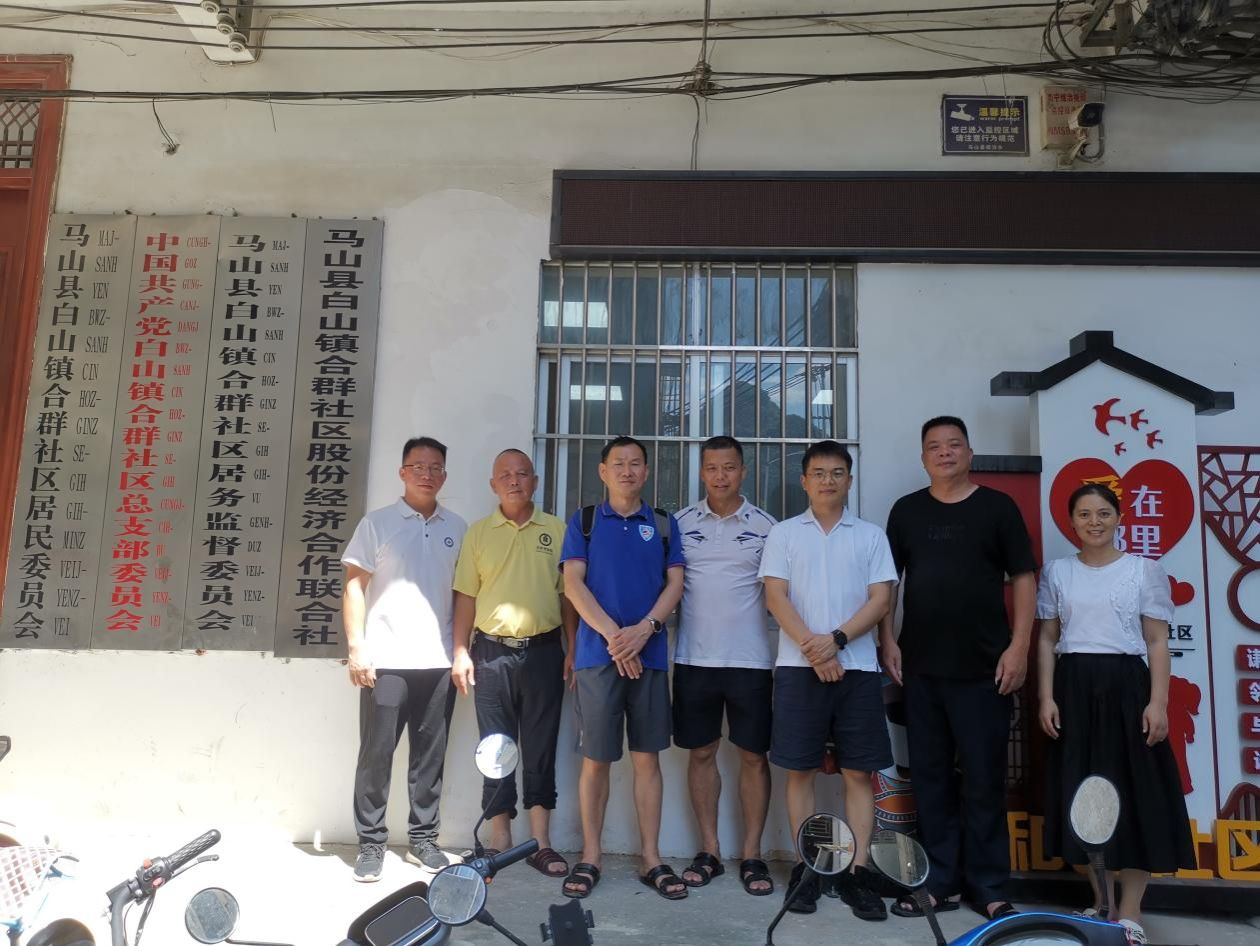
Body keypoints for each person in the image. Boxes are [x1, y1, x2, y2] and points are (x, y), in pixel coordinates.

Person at [880, 416, 1037, 921]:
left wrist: (1019, 647)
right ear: (923, 457)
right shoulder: (906, 511)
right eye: (934, 446)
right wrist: (888, 639)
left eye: (954, 445)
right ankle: (939, 883)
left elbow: (1024, 578)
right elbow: (889, 583)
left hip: (985, 669)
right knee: (930, 780)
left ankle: (988, 886)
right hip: (921, 668)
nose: (944, 453)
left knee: (984, 780)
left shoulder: (998, 507)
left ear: (969, 453)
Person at [1036, 483, 1195, 946]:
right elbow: (1047, 638)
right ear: (1071, 522)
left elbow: (1157, 641)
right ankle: (1101, 902)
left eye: (1104, 513)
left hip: (1127, 687)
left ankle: (1130, 912)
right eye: (1084, 514)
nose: (1095, 522)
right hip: (1073, 687)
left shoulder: (1143, 570)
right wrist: (1046, 697)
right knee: (1083, 794)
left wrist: (1158, 703)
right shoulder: (1058, 572)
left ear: (1119, 518)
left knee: (1136, 791)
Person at [760, 440, 897, 920]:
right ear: (804, 480)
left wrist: (836, 641)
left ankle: (857, 871)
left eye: (837, 473)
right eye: (818, 473)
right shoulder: (783, 534)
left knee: (859, 773)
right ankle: (808, 868)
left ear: (850, 480)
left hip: (857, 669)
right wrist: (814, 650)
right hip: (799, 670)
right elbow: (775, 597)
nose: (827, 481)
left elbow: (881, 599)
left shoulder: (870, 536)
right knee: (799, 770)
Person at [559, 435, 686, 901]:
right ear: (603, 471)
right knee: (596, 760)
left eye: (635, 464)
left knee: (647, 758)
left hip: (648, 658)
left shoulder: (663, 523)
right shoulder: (585, 521)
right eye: (619, 463)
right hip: (598, 658)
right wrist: (617, 637)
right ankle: (591, 855)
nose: (627, 471)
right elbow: (573, 585)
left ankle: (651, 857)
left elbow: (676, 584)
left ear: (646, 472)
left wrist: (644, 631)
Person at [342, 436, 468, 882]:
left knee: (429, 756)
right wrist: (357, 648)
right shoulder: (377, 524)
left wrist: (461, 651)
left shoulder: (458, 528)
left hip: (438, 661)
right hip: (386, 660)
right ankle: (371, 844)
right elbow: (354, 585)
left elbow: (463, 594)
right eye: (418, 467)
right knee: (376, 753)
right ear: (402, 472)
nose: (427, 475)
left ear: (444, 476)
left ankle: (424, 840)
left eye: (435, 468)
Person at [450, 448, 576, 878]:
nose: (514, 481)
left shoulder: (556, 530)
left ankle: (541, 842)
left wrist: (573, 647)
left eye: (522, 474)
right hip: (491, 653)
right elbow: (465, 596)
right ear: (493, 484)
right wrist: (460, 651)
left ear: (535, 482)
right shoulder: (478, 533)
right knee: (495, 748)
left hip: (544, 651)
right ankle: (499, 839)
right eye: (505, 475)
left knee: (541, 746)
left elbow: (567, 596)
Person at [672, 436, 777, 896]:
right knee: (701, 753)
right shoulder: (679, 524)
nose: (721, 476)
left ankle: (752, 855)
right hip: (694, 658)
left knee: (753, 756)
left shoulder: (767, 527)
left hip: (750, 661)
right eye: (712, 468)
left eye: (729, 467)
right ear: (702, 473)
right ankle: (710, 851)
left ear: (743, 471)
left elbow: (781, 594)